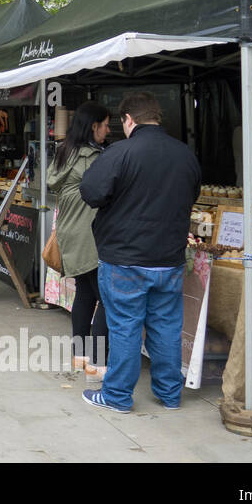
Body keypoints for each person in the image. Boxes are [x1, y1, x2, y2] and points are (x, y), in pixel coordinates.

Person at [79, 92, 201, 413]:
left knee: (125, 327)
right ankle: (169, 394)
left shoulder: (120, 152)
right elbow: (192, 195)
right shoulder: (185, 154)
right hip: (169, 260)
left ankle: (117, 396)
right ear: (157, 118)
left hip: (125, 259)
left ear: (128, 120)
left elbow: (90, 192)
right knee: (166, 328)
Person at [46, 101, 111, 378]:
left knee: (85, 294)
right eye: (106, 125)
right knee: (107, 299)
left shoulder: (65, 151)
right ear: (93, 126)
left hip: (69, 231)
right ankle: (97, 362)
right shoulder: (92, 157)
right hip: (89, 235)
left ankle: (80, 356)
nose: (108, 130)